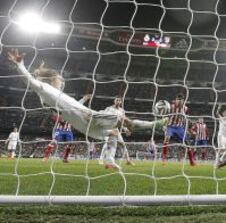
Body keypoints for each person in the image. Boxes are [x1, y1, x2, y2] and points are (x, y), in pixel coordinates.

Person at [7, 49, 167, 152]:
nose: (62, 82)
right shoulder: (45, 90)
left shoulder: (54, 95)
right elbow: (29, 81)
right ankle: (154, 125)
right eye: (60, 80)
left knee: (118, 129)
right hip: (87, 118)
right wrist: (20, 65)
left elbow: (70, 105)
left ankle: (118, 150)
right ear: (52, 81)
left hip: (85, 123)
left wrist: (83, 98)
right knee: (124, 121)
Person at [161, 94, 195, 166]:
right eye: (178, 100)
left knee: (187, 143)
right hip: (170, 126)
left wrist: (189, 128)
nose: (180, 102)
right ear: (176, 100)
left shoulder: (185, 108)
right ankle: (164, 158)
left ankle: (192, 161)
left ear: (183, 101)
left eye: (181, 100)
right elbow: (164, 115)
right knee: (167, 138)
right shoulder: (170, 106)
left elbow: (187, 119)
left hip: (179, 128)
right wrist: (164, 125)